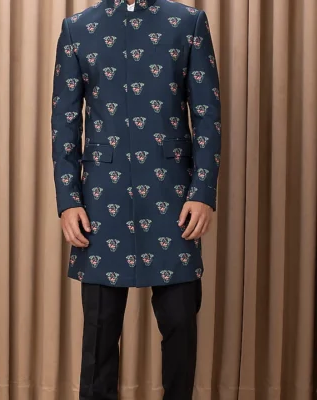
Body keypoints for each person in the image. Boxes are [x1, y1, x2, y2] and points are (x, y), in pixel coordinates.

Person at [51, 0, 221, 397]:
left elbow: (208, 114)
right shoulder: (78, 28)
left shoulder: (188, 22)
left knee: (180, 323)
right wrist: (69, 200)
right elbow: (65, 122)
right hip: (100, 199)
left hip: (173, 195)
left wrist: (203, 192)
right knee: (99, 331)